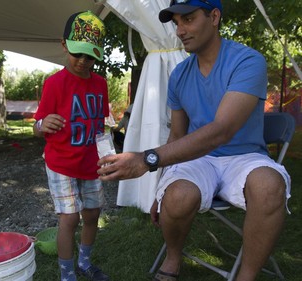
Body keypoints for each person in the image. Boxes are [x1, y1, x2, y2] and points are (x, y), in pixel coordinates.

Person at [97, 1, 291, 280]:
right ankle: (173, 258)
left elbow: (221, 130)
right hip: (199, 159)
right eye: (176, 23)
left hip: (245, 157)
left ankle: (245, 277)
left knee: (270, 185)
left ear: (214, 17)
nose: (180, 30)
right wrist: (160, 187)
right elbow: (177, 135)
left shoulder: (248, 61)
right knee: (176, 197)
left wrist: (146, 159)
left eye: (188, 19)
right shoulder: (179, 75)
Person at [33, 10, 110, 281]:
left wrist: (107, 153)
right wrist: (43, 124)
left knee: (92, 215)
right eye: (77, 53)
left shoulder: (100, 84)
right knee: (69, 219)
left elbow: (100, 126)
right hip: (61, 164)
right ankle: (67, 275)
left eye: (89, 55)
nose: (83, 61)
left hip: (91, 164)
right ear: (64, 44)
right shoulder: (54, 84)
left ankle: (85, 263)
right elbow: (37, 126)